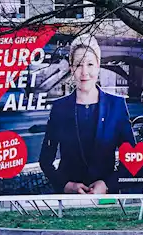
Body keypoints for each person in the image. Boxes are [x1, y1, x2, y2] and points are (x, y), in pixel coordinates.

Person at [39, 34, 135, 195]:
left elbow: (132, 157)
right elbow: (45, 160)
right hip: (70, 201)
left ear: (98, 65)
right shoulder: (59, 108)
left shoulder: (116, 106)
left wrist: (108, 185)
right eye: (78, 65)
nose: (84, 72)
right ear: (71, 68)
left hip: (106, 199)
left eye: (90, 64)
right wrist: (65, 185)